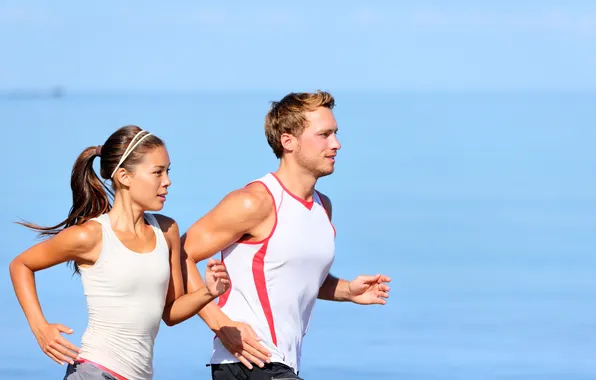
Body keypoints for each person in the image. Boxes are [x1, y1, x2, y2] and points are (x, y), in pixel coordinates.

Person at [181, 91, 391, 380]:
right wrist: (220, 325)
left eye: (335, 134)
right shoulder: (255, 201)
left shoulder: (322, 207)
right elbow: (180, 254)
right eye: (324, 135)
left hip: (283, 365)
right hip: (246, 363)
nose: (336, 144)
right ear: (288, 141)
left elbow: (287, 274)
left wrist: (347, 291)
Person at [9, 125, 230, 380]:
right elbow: (21, 265)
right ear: (124, 176)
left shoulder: (166, 230)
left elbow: (169, 311)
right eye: (157, 172)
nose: (167, 181)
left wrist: (208, 292)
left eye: (167, 171)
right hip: (94, 372)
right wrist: (41, 329)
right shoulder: (91, 236)